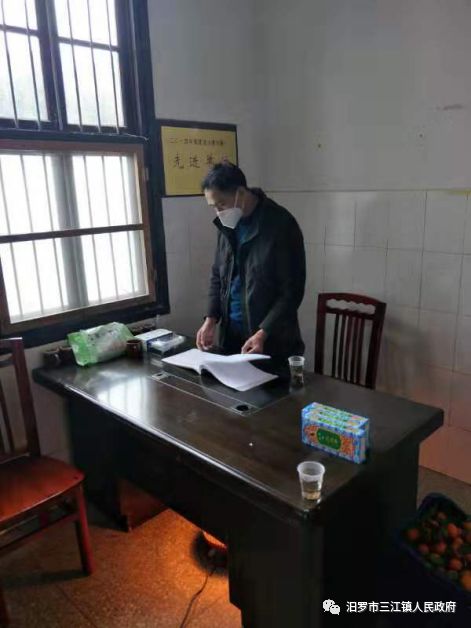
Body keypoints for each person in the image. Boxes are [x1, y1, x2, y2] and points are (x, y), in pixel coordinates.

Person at [196, 162, 306, 361]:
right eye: (214, 207)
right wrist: (211, 318)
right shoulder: (227, 225)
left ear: (240, 192)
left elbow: (291, 292)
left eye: (222, 204)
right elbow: (218, 275)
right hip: (231, 337)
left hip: (272, 342)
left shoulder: (280, 225)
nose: (218, 212)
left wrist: (263, 332)